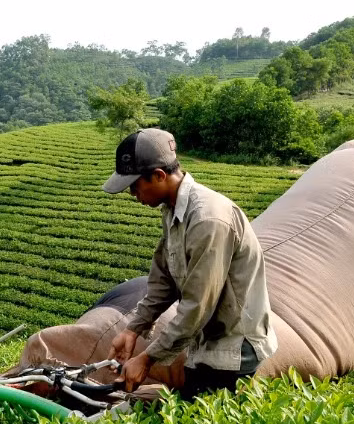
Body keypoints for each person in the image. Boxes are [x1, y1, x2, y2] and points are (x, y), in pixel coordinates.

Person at [103, 128, 278, 399]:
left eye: (134, 186)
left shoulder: (208, 220)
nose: (133, 195)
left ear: (159, 176)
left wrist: (147, 359)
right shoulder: (173, 210)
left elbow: (198, 305)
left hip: (233, 349)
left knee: (199, 417)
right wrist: (133, 328)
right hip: (206, 342)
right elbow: (163, 281)